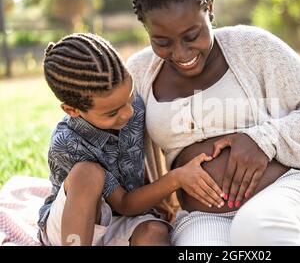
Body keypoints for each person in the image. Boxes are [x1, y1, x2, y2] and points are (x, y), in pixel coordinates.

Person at [128, 0, 300, 245]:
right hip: (203, 216)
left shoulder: (251, 45)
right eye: (162, 42)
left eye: (191, 36)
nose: (180, 53)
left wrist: (263, 139)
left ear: (210, 10)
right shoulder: (139, 72)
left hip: (291, 191)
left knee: (256, 227)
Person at [37, 33, 225, 246]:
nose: (127, 113)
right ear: (72, 110)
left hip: (120, 222)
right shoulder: (67, 142)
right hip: (69, 232)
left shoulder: (134, 109)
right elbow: (124, 203)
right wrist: (177, 178)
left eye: (130, 97)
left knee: (154, 231)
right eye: (111, 113)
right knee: (87, 173)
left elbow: (132, 177)